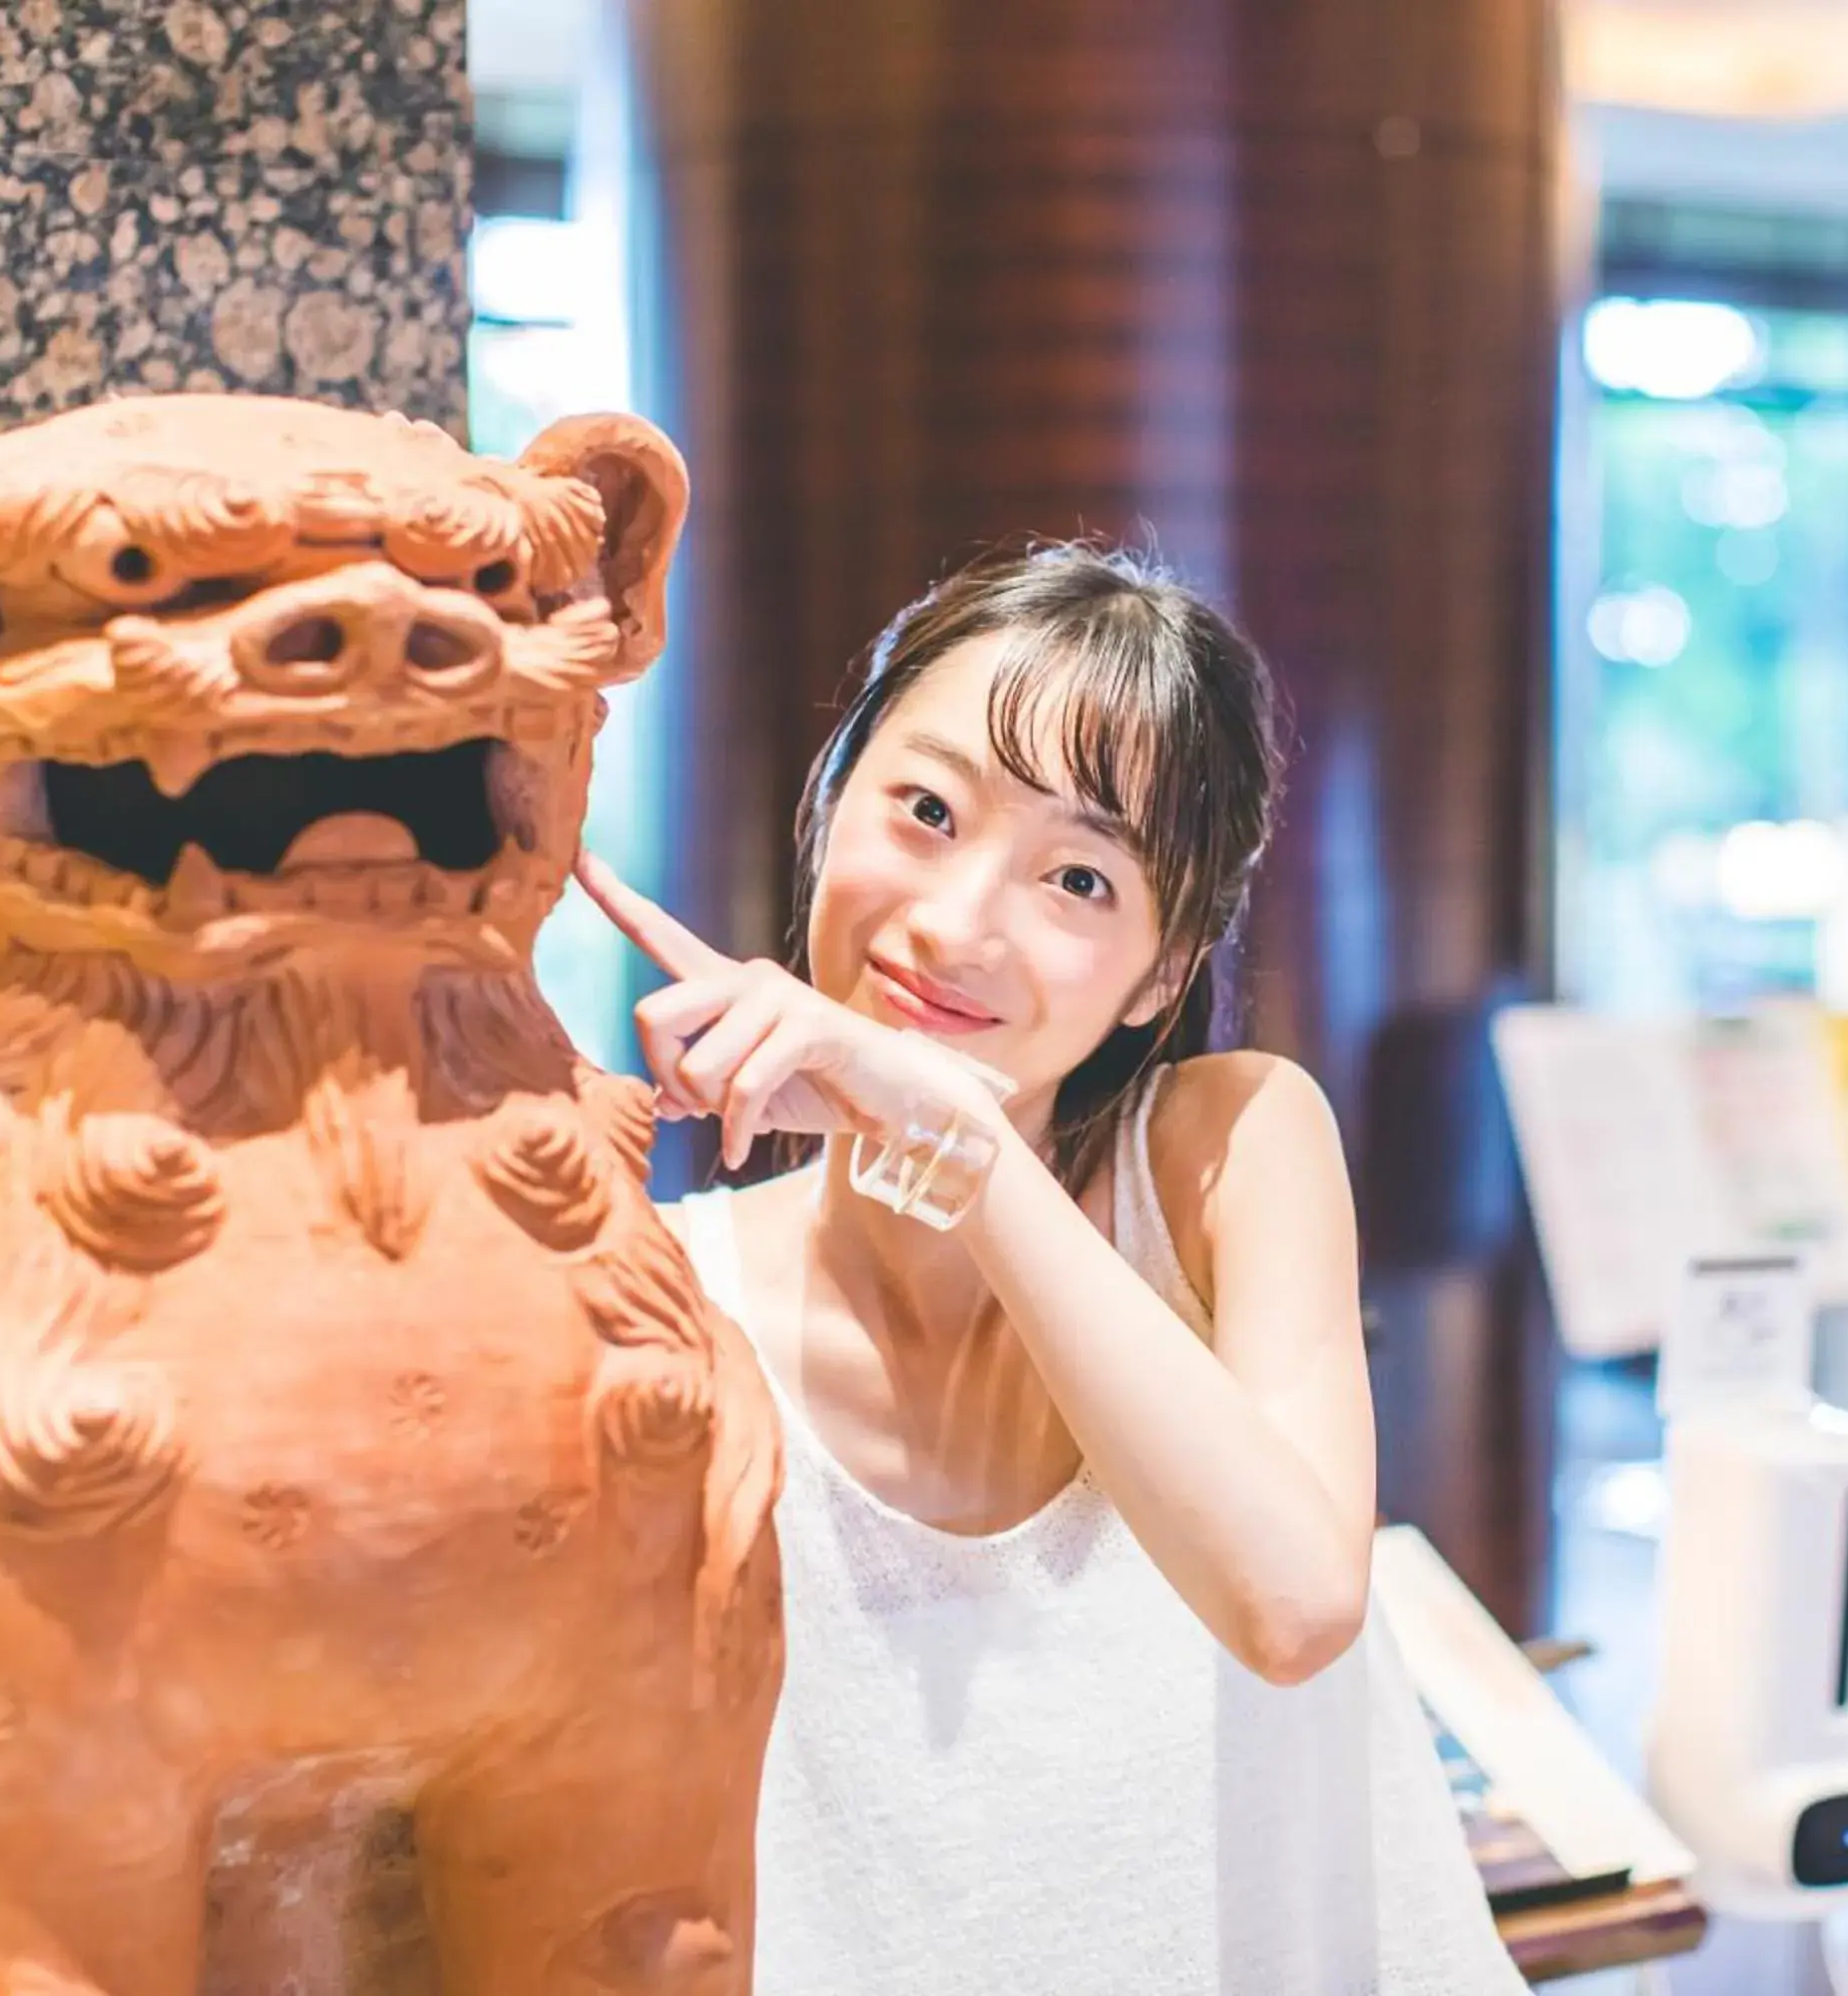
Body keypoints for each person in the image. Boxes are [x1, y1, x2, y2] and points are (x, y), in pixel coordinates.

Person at [573, 544, 1528, 1993]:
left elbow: (1292, 1606)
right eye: (927, 810)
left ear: (1163, 973)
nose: (957, 922)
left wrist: (963, 1147)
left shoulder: (1229, 1151)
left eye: (1078, 877)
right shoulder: (670, 1296)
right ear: (829, 802)